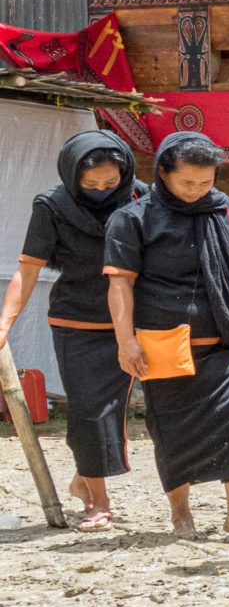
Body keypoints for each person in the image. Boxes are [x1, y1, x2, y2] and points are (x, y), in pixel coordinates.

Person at [103, 134, 229, 537]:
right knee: (171, 433)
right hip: (162, 345)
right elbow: (120, 284)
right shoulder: (133, 218)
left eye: (205, 182)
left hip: (223, 342)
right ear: (162, 172)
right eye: (188, 183)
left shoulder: (223, 209)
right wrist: (125, 340)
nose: (197, 191)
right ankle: (181, 514)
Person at [2, 132, 144, 529]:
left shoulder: (141, 198)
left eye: (110, 183)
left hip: (129, 324)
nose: (102, 191)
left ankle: (84, 480)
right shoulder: (53, 207)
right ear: (71, 176)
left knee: (111, 411)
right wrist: (4, 323)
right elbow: (28, 269)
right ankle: (99, 503)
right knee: (88, 410)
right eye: (91, 184)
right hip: (76, 322)